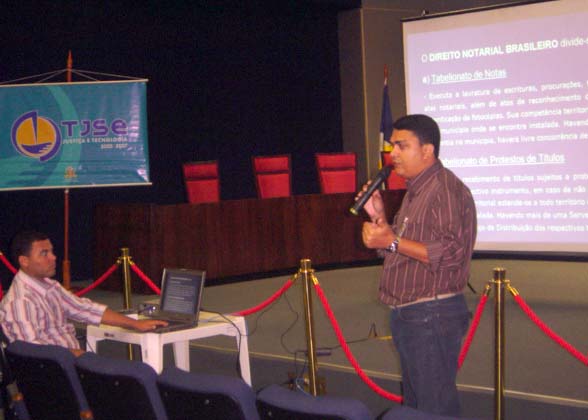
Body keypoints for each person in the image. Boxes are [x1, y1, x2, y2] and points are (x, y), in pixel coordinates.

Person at [357, 114, 477, 416]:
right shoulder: (417, 191)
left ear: (427, 150)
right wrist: (379, 218)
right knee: (417, 407)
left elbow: (451, 253)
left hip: (431, 315)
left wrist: (391, 240)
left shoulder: (444, 189)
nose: (393, 153)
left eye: (402, 145)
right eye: (392, 145)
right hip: (413, 315)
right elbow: (397, 248)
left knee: (433, 409)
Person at [0, 230, 167, 356]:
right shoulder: (20, 302)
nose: (53, 257)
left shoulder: (50, 286)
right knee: (135, 375)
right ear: (24, 261)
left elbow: (86, 309)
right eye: (44, 254)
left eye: (51, 251)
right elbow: (33, 354)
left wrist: (135, 324)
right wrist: (80, 357)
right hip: (53, 375)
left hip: (70, 364)